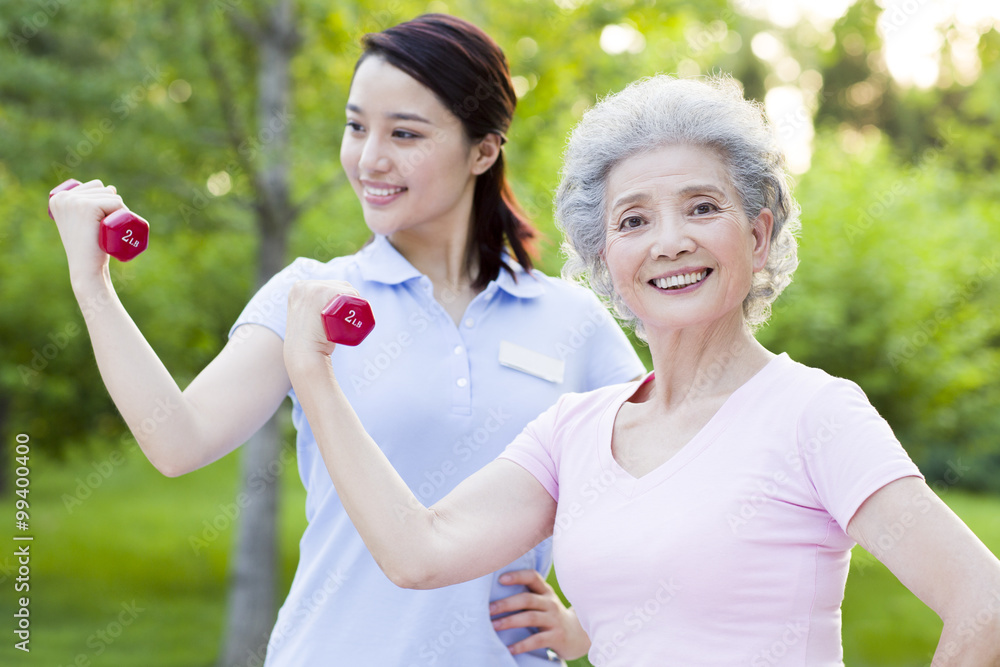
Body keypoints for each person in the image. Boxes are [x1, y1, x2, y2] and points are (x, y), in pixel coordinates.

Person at [281, 73, 1000, 666]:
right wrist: (313, 375)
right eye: (633, 220)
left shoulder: (814, 413)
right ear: (603, 261)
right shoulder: (575, 428)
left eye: (702, 206)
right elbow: (420, 550)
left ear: (757, 232)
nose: (670, 241)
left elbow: (984, 601)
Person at [47, 14, 646, 666]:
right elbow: (176, 438)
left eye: (405, 133)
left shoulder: (572, 321)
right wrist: (93, 286)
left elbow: (660, 497)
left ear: (484, 149)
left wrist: (587, 623)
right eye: (357, 126)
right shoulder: (309, 297)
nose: (369, 158)